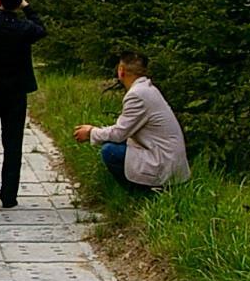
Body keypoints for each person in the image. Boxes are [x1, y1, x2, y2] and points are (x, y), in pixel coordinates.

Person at [74, 51, 190, 195]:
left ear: (121, 71)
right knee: (116, 144)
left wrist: (91, 132)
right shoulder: (148, 89)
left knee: (110, 151)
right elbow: (124, 130)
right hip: (168, 158)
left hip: (163, 163)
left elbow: (119, 134)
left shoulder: (137, 95)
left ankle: (143, 194)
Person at [0, 0, 46, 208]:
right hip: (17, 91)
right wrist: (28, 8)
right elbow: (42, 29)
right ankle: (9, 195)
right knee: (13, 144)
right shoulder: (25, 28)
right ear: (19, 2)